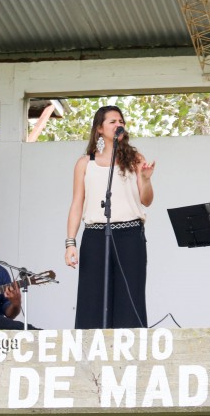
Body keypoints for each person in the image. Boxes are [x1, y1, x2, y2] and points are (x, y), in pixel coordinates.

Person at [65, 105, 155, 329]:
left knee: (130, 296)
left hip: (130, 234)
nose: (119, 125)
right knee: (92, 297)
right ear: (99, 129)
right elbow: (77, 203)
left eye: (121, 121)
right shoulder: (86, 163)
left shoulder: (135, 159)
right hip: (95, 236)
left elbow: (146, 200)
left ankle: (130, 354)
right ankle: (90, 354)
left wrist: (145, 179)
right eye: (112, 122)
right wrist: (70, 242)